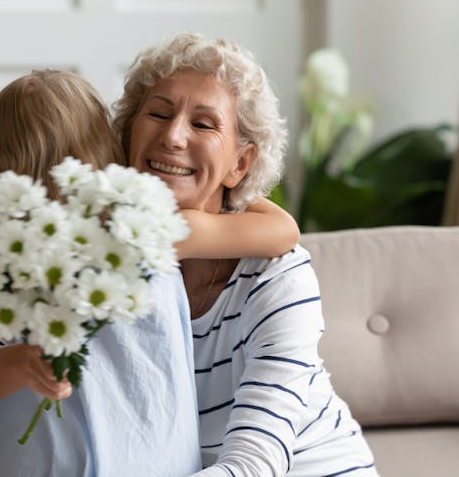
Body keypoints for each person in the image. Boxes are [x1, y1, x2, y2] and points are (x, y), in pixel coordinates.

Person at [0, 69, 300, 476]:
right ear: (112, 150)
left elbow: (281, 232)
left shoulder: (144, 234)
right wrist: (19, 362)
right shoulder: (29, 276)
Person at [113, 33, 378, 476]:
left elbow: (255, 464)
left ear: (240, 164)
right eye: (158, 113)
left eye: (203, 124)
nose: (173, 136)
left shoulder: (278, 278)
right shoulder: (101, 261)